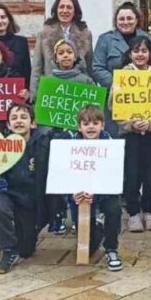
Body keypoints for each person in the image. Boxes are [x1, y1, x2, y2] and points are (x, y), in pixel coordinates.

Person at [0, 103, 50, 273]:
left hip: (30, 201)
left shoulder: (43, 144)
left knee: (26, 251)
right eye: (14, 118)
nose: (18, 121)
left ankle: (23, 237)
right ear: (8, 124)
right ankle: (8, 251)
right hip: (7, 195)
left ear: (33, 123)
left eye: (23, 117)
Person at [116, 35, 151, 232]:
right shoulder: (122, 76)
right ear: (130, 54)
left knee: (149, 174)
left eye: (144, 51)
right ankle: (133, 213)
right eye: (136, 51)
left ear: (150, 54)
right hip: (130, 135)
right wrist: (131, 124)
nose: (140, 54)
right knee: (131, 173)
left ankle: (149, 211)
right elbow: (116, 105)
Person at [44, 39, 96, 236]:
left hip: (81, 140)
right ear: (56, 57)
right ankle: (57, 216)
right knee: (59, 178)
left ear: (76, 56)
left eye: (69, 52)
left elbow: (94, 110)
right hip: (56, 138)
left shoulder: (86, 81)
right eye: (61, 53)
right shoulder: (49, 81)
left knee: (78, 180)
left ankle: (77, 217)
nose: (65, 55)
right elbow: (45, 111)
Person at [69, 105, 124, 272]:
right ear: (79, 127)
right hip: (79, 196)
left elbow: (116, 176)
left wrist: (97, 192)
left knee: (114, 209)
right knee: (89, 246)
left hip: (106, 194)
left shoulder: (112, 146)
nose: (91, 127)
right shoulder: (70, 147)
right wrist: (72, 194)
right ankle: (98, 227)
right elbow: (64, 176)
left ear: (103, 125)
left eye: (95, 123)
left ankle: (111, 249)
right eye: (86, 124)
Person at [31, 0, 93, 100]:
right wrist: (34, 96)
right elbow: (37, 68)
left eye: (69, 7)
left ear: (75, 11)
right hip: (51, 91)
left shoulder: (85, 33)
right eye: (61, 7)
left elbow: (90, 66)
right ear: (56, 10)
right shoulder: (44, 33)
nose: (65, 11)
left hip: (78, 92)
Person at [92, 2, 151, 88]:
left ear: (136, 20)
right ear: (116, 21)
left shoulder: (147, 38)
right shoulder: (105, 39)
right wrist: (118, 84)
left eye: (129, 18)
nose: (125, 22)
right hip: (114, 93)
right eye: (121, 19)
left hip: (143, 93)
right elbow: (97, 68)